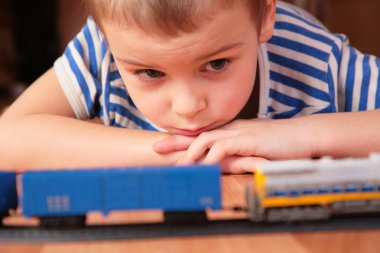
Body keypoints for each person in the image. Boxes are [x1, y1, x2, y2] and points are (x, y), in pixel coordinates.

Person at [0, 0, 379, 173]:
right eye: (150, 73)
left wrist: (304, 136)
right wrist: (178, 155)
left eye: (216, 64)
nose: (186, 106)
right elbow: (7, 140)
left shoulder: (311, 56)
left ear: (265, 17)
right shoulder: (104, 49)